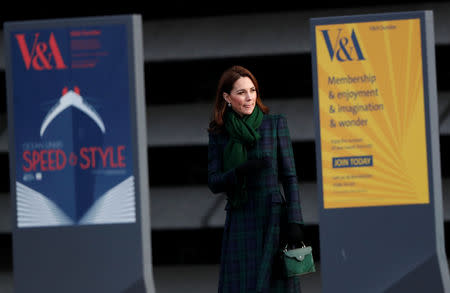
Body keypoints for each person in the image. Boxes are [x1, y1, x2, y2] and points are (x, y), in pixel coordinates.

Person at [207, 65, 305, 293]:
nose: (249, 97)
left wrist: (295, 221)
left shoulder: (275, 124)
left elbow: (290, 177)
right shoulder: (219, 134)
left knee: (275, 286)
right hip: (241, 217)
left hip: (273, 218)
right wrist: (239, 172)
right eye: (241, 92)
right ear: (227, 97)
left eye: (252, 90)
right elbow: (214, 182)